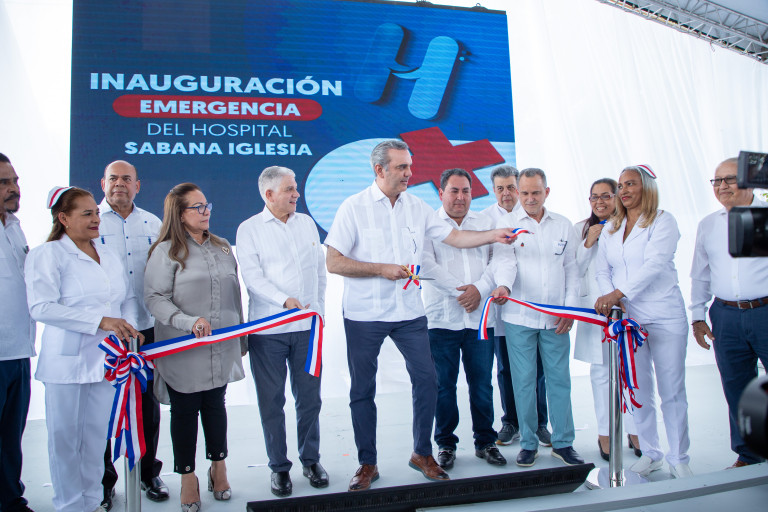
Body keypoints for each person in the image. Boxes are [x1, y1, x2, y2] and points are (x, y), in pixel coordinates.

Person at [325, 139, 515, 492]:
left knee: (428, 380)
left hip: (409, 312)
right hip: (365, 314)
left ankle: (422, 453)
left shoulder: (417, 207)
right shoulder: (353, 207)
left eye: (409, 166)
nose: (409, 173)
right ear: (379, 170)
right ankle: (367, 463)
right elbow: (334, 262)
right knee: (363, 389)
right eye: (402, 167)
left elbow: (455, 238)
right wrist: (380, 268)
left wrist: (495, 234)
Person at [25, 186, 141, 512]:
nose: (95, 219)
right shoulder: (47, 255)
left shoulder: (108, 254)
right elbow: (41, 308)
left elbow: (125, 300)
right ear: (63, 218)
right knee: (65, 441)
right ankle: (69, 506)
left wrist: (128, 328)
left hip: (106, 361)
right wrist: (100, 322)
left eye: (96, 213)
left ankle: (91, 503)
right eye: (87, 213)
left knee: (94, 440)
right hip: (66, 364)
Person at [144, 183, 245, 510]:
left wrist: (241, 338)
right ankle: (188, 477)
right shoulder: (166, 252)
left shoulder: (223, 247)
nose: (206, 212)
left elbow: (235, 295)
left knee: (216, 405)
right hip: (183, 347)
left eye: (207, 205)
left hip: (220, 345)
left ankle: (219, 466)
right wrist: (187, 322)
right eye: (197, 207)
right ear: (179, 214)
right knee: (185, 410)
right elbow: (154, 298)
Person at [594, 165, 691, 479]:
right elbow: (602, 270)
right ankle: (651, 453)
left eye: (631, 184)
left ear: (647, 187)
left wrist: (619, 293)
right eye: (621, 185)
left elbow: (654, 265)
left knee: (672, 390)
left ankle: (679, 458)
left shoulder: (663, 220)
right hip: (630, 319)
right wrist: (612, 297)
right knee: (638, 389)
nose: (624, 190)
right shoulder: (611, 228)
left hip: (664, 315)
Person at [236, 166, 328, 497]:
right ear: (269, 194)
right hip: (268, 331)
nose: (296, 194)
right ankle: (279, 467)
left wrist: (319, 310)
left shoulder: (306, 224)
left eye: (295, 187)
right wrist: (283, 300)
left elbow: (319, 271)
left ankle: (311, 460)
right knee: (272, 401)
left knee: (310, 399)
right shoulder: (249, 229)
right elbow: (252, 278)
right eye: (289, 189)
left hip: (307, 330)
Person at [491, 168, 584, 468]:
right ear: (518, 192)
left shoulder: (563, 225)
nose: (530, 198)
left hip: (557, 319)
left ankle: (563, 443)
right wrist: (504, 286)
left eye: (536, 192)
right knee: (523, 382)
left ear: (547, 192)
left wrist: (570, 309)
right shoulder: (507, 225)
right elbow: (505, 262)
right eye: (525, 193)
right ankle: (529, 444)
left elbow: (572, 269)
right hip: (519, 318)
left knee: (559, 380)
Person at [422, 168, 505, 470]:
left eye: (465, 191)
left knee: (482, 385)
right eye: (454, 191)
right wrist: (461, 291)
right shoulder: (428, 224)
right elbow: (424, 264)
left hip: (480, 320)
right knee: (443, 386)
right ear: (441, 193)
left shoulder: (486, 224)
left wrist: (479, 290)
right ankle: (446, 444)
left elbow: (499, 260)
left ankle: (486, 442)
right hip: (441, 320)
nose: (460, 197)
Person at [97, 160, 167, 507]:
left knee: (147, 405)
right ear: (103, 183)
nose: (120, 184)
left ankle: (148, 473)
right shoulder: (90, 222)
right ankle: (104, 481)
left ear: (137, 185)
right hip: (105, 331)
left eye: (127, 179)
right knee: (102, 408)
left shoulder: (153, 223)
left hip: (146, 326)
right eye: (114, 178)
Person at [690, 157, 768, 468]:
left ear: (750, 180)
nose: (722, 186)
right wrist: (697, 316)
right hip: (725, 316)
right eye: (717, 180)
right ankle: (749, 456)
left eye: (730, 179)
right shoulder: (708, 225)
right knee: (737, 388)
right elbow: (700, 274)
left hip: (764, 311)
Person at [481, 165, 550, 447]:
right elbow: (488, 261)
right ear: (493, 190)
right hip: (502, 307)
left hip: (533, 305)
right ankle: (511, 421)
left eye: (511, 187)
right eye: (500, 188)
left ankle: (540, 423)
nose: (506, 194)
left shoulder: (532, 215)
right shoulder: (485, 219)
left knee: (538, 368)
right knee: (506, 368)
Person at [573, 178, 640, 461]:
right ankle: (605, 432)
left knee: (632, 370)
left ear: (617, 197)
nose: (599, 202)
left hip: (627, 307)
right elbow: (571, 268)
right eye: (594, 197)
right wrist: (588, 242)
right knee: (601, 372)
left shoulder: (631, 226)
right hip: (595, 310)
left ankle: (635, 430)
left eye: (606, 196)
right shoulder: (581, 228)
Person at [0, 153, 35, 512]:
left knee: (11, 437)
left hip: (18, 350)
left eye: (15, 181)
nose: (14, 188)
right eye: (4, 183)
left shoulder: (14, 226)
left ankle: (11, 500)